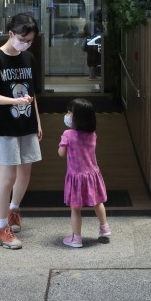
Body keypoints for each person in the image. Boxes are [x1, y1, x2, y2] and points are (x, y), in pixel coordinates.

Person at [0, 12, 43, 250]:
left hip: (26, 124)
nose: (26, 44)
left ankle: (13, 211)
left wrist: (37, 121)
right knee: (7, 178)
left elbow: (33, 93)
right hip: (4, 127)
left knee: (25, 174)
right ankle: (1, 228)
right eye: (22, 38)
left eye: (30, 40)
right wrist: (14, 102)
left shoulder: (29, 58)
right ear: (11, 34)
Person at [58, 97, 111, 248]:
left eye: (69, 113)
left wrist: (62, 143)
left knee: (75, 210)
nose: (67, 116)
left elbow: (61, 153)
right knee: (98, 203)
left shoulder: (68, 135)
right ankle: (104, 228)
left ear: (77, 117)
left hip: (76, 177)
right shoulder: (92, 134)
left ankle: (76, 238)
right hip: (92, 175)